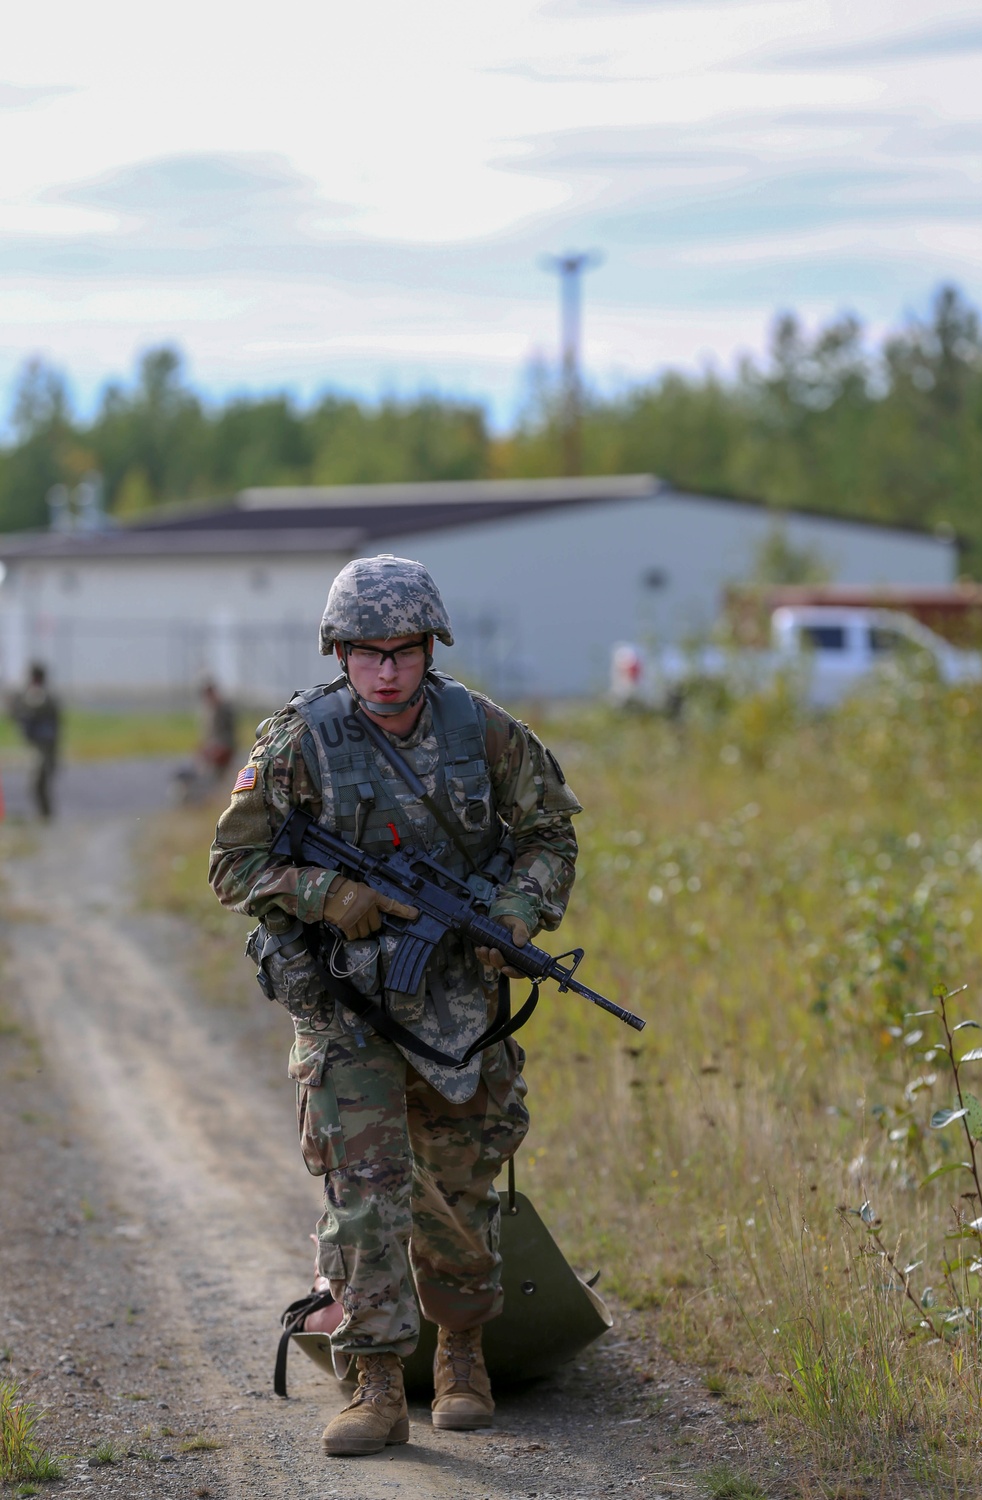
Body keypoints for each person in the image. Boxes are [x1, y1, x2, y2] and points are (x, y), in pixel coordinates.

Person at [208, 554, 581, 1457]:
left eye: (402, 650)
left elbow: (549, 835)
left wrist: (514, 915)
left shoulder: (486, 733)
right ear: (339, 651)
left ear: (429, 646)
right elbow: (233, 866)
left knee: (458, 1187)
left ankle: (460, 1356)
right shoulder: (298, 743)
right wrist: (327, 895)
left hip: (458, 1001)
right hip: (346, 1002)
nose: (385, 669)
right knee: (366, 1193)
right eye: (366, 651)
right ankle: (374, 1379)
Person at [9, 662, 61, 819]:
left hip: (44, 746)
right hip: (38, 745)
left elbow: (33, 706)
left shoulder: (42, 695)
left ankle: (46, 816)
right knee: (38, 784)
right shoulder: (34, 694)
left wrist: (17, 703)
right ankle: (45, 815)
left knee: (38, 782)